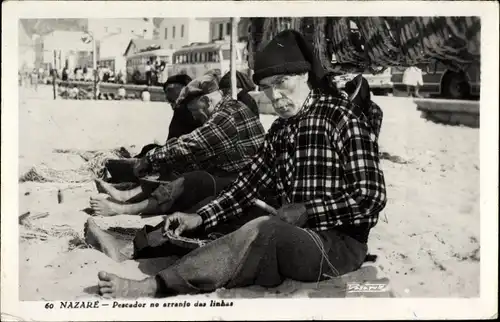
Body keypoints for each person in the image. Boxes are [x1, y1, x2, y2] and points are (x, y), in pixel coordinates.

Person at [92, 29, 387, 299]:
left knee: (264, 228)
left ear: (305, 76)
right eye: (268, 88)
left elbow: (371, 197)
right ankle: (134, 247)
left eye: (282, 83)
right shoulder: (281, 130)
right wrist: (200, 218)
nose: (275, 96)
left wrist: (308, 210)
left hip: (338, 245)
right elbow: (245, 187)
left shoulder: (342, 119)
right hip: (294, 232)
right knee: (217, 211)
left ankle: (156, 285)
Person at [90, 73, 265, 217]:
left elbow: (190, 144)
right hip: (234, 173)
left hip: (247, 184)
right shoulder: (227, 108)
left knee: (193, 179)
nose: (195, 117)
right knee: (182, 162)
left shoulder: (228, 115)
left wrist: (149, 159)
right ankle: (129, 196)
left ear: (207, 101)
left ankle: (123, 209)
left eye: (196, 111)